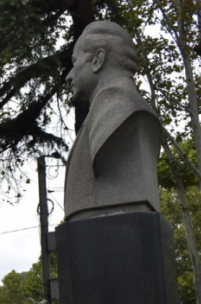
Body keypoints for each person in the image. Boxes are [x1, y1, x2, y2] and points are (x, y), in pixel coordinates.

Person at [64, 21, 161, 222]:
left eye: (75, 63)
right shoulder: (110, 109)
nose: (69, 75)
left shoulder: (120, 108)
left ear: (98, 59)